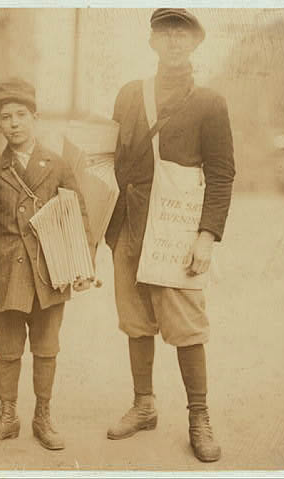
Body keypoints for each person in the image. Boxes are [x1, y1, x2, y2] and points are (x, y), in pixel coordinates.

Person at [104, 9, 235, 463]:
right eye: (166, 33)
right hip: (130, 224)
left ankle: (199, 416)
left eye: (183, 34)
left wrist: (207, 235)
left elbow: (221, 174)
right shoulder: (129, 94)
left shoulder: (209, 101)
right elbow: (107, 155)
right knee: (136, 320)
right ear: (153, 41)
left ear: (195, 43)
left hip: (177, 227)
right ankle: (144, 405)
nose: (175, 41)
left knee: (186, 326)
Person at [0, 78, 93, 452]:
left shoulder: (58, 165)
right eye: (6, 117)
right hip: (5, 275)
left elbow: (77, 215)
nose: (15, 123)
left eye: (22, 115)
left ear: (36, 117)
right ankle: (7, 417)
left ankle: (43, 416)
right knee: (6, 349)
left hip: (50, 273)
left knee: (46, 348)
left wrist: (81, 264)